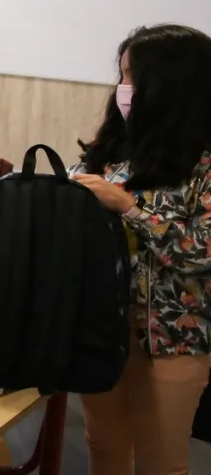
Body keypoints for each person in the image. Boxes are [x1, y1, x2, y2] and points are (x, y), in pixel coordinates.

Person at [72, 24, 211, 475]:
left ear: (169, 85)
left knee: (161, 464)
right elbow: (71, 207)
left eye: (132, 77)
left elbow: (202, 254)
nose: (122, 90)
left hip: (173, 340)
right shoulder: (115, 149)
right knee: (104, 448)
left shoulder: (204, 163)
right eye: (121, 75)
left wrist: (129, 208)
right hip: (100, 327)